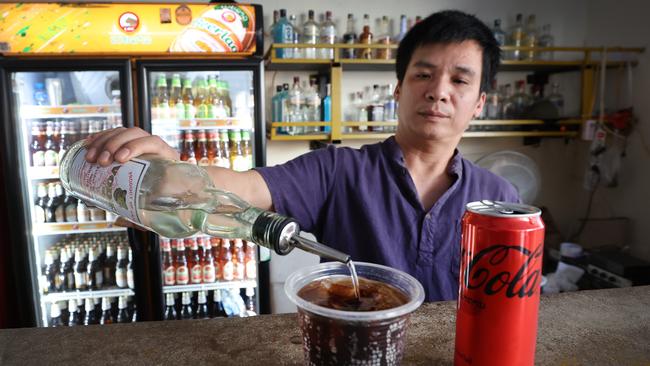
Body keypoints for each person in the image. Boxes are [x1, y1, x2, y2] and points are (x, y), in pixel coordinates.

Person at [84, 10, 518, 302]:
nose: (439, 91)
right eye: (424, 74)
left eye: (460, 81)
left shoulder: (501, 198)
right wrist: (168, 171)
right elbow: (245, 189)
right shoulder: (338, 170)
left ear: (480, 102)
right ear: (399, 89)